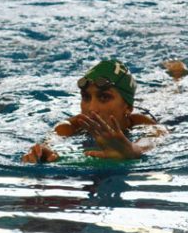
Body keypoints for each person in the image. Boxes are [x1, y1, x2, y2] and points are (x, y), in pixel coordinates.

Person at [22, 59, 167, 163]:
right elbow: (52, 140)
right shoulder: (71, 125)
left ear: (127, 107)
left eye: (104, 97)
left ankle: (176, 77)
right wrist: (43, 151)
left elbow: (151, 140)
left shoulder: (142, 122)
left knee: (168, 93)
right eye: (86, 97)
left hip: (165, 109)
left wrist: (131, 150)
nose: (91, 108)